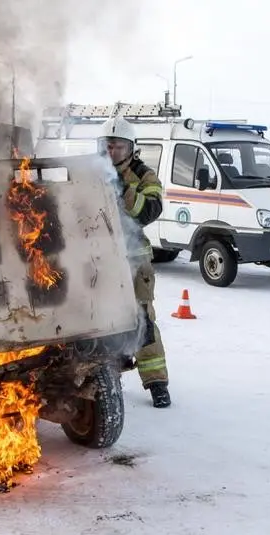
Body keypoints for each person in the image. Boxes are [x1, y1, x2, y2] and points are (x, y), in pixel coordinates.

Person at [97, 115, 170, 408]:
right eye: (108, 146)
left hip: (134, 262)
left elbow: (148, 212)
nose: (112, 151)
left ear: (130, 148)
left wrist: (123, 189)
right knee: (101, 321)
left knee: (142, 322)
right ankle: (106, 379)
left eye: (118, 146)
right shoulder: (91, 171)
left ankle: (157, 384)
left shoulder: (143, 175)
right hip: (99, 260)